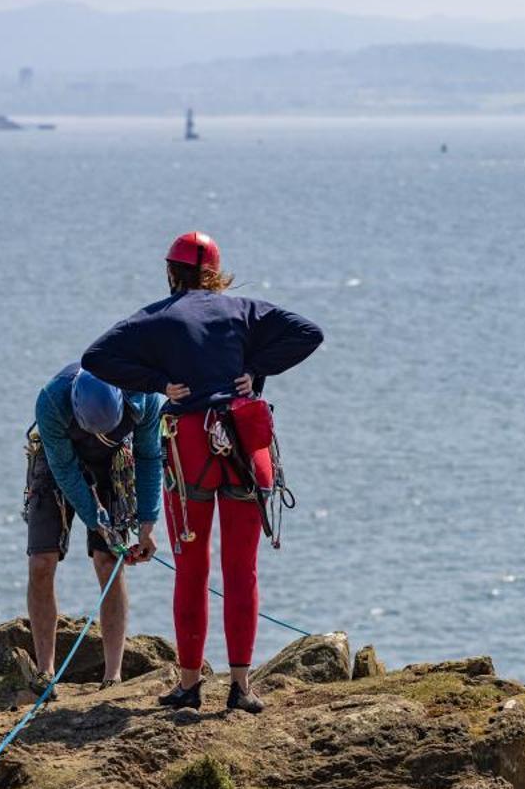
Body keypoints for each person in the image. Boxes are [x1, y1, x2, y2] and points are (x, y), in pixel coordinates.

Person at [80, 231, 323, 713]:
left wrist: (157, 384)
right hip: (245, 444)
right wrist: (254, 369)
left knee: (192, 571)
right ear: (215, 272)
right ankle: (241, 688)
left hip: (189, 445)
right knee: (242, 570)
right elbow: (309, 333)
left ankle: (189, 685)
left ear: (172, 273)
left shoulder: (156, 317)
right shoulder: (245, 310)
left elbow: (96, 358)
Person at [25, 363, 164, 688]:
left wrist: (147, 523)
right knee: (40, 562)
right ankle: (45, 673)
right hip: (57, 461)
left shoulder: (144, 398)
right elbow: (67, 473)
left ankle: (112, 675)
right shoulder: (51, 401)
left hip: (114, 461)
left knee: (109, 561)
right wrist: (99, 523)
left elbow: (149, 458)